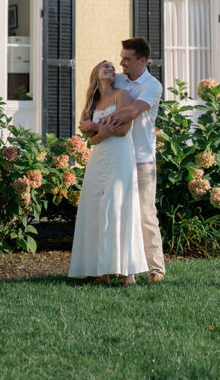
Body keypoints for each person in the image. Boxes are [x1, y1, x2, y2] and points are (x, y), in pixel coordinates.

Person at [79, 37, 165, 282]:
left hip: (141, 157)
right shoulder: (119, 78)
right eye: (122, 57)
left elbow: (132, 111)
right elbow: (101, 90)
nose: (121, 62)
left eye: (127, 59)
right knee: (112, 210)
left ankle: (155, 268)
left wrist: (96, 124)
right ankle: (112, 265)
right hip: (114, 155)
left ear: (142, 60)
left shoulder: (152, 85)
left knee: (145, 214)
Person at [67, 60, 148, 286]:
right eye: (106, 67)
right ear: (96, 73)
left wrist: (94, 127)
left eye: (113, 68)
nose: (111, 70)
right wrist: (99, 132)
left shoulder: (122, 95)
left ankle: (128, 272)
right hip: (98, 156)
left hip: (120, 156)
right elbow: (91, 141)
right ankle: (102, 270)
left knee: (119, 206)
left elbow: (123, 130)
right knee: (95, 207)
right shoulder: (91, 104)